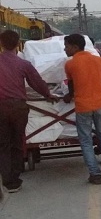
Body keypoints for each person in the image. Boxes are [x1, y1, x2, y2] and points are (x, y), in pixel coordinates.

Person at [0, 30, 59, 193]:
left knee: (3, 144)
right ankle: (15, 180)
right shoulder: (23, 64)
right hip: (18, 107)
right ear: (18, 44)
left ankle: (6, 180)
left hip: (1, 108)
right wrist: (48, 94)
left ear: (1, 44)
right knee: (17, 143)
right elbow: (36, 82)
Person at [63, 34, 101, 185]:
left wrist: (69, 95)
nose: (65, 49)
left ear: (75, 47)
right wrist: (96, 85)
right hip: (100, 104)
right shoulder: (97, 60)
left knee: (86, 140)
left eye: (66, 46)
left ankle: (95, 174)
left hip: (83, 107)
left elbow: (71, 88)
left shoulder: (70, 64)